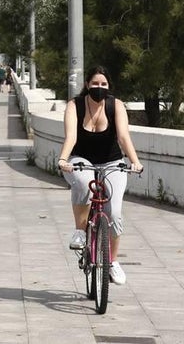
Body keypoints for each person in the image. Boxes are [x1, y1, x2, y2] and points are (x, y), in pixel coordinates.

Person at [57, 66, 143, 286]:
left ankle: (112, 262)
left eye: (103, 84)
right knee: (84, 183)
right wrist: (63, 160)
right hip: (80, 160)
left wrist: (135, 161)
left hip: (112, 162)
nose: (99, 88)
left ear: (109, 86)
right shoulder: (74, 106)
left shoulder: (116, 106)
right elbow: (71, 137)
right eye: (95, 83)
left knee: (113, 212)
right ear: (87, 85)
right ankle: (79, 232)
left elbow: (123, 137)